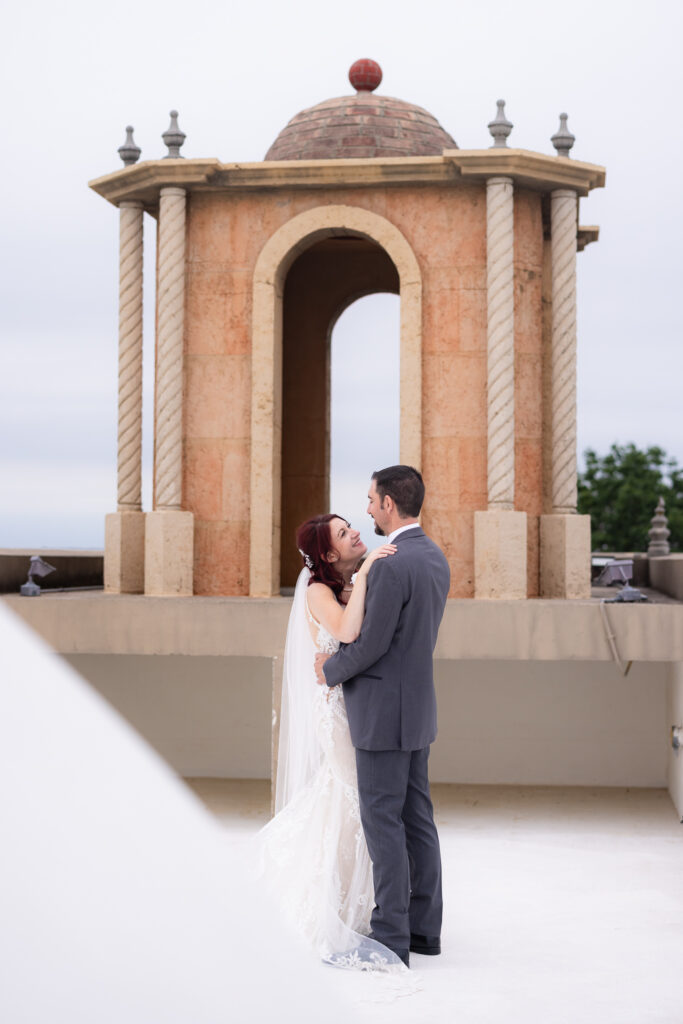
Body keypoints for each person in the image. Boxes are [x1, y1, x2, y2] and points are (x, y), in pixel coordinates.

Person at [256, 513, 409, 978]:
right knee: (352, 794)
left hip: (347, 702)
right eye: (344, 534)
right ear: (327, 555)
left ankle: (349, 899)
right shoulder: (319, 591)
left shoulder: (338, 585)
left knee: (347, 796)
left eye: (350, 526)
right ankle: (335, 903)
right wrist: (364, 576)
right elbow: (345, 633)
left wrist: (361, 578)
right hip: (335, 711)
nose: (356, 533)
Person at [315, 466, 450, 968]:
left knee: (383, 824)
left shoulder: (390, 564)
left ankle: (391, 939)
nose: (367, 509)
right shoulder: (433, 556)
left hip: (383, 715)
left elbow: (371, 645)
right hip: (417, 711)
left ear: (389, 504)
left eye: (372, 500)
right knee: (418, 821)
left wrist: (329, 670)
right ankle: (424, 931)